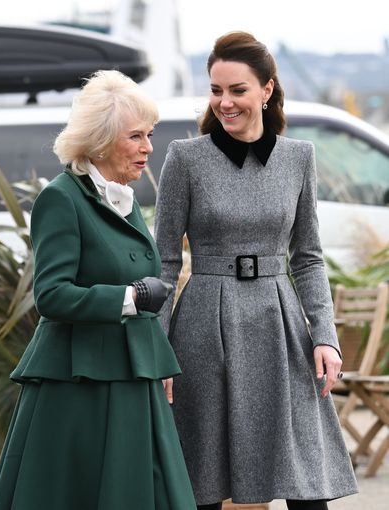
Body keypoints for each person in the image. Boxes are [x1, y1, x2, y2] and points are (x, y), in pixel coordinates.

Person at [155, 32, 358, 510]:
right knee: (203, 476)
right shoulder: (185, 159)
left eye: (237, 90)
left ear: (267, 89)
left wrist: (324, 335)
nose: (225, 102)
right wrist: (157, 346)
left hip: (280, 324)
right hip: (204, 327)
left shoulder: (298, 158)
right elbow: (164, 259)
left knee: (305, 480)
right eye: (216, 90)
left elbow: (307, 255)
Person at [0, 70, 197, 510]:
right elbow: (52, 294)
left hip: (132, 376)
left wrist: (157, 360)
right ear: (102, 140)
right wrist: (130, 298)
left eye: (150, 135)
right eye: (136, 136)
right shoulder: (61, 199)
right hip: (79, 385)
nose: (148, 148)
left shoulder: (122, 197)